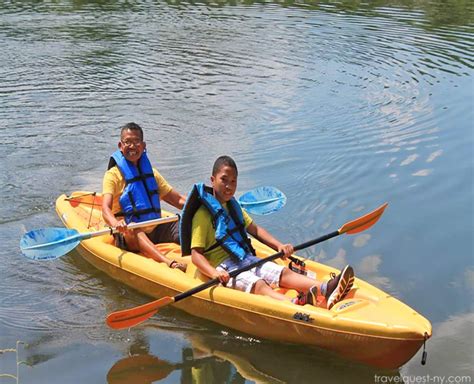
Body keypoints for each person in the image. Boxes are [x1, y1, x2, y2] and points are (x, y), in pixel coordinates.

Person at [180, 155, 354, 309]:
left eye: (233, 181)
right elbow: (196, 255)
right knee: (259, 284)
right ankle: (295, 304)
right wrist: (214, 273)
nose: (228, 186)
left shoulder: (233, 207)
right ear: (212, 179)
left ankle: (326, 288)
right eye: (224, 179)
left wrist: (279, 246)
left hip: (244, 257)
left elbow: (255, 229)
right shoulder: (202, 215)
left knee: (282, 272)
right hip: (223, 267)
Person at [102, 122, 187, 271]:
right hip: (128, 234)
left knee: (183, 222)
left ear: (143, 145)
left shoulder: (152, 174)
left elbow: (178, 200)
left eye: (136, 142)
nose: (132, 146)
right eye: (127, 142)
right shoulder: (112, 176)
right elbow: (105, 209)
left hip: (156, 228)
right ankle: (168, 263)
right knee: (134, 229)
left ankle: (205, 252)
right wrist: (115, 223)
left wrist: (203, 205)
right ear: (120, 146)